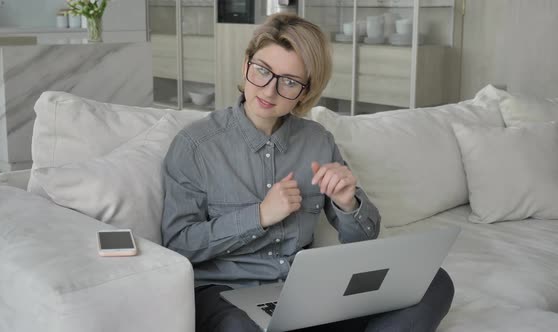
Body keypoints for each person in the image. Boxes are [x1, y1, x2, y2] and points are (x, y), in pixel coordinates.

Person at [162, 13, 454, 332]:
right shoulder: (195, 146)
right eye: (262, 71)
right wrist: (258, 215)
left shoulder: (317, 141)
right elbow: (179, 244)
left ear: (305, 91)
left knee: (431, 281)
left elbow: (365, 239)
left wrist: (347, 204)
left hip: (304, 293)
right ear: (246, 65)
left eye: (288, 81)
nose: (269, 91)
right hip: (227, 297)